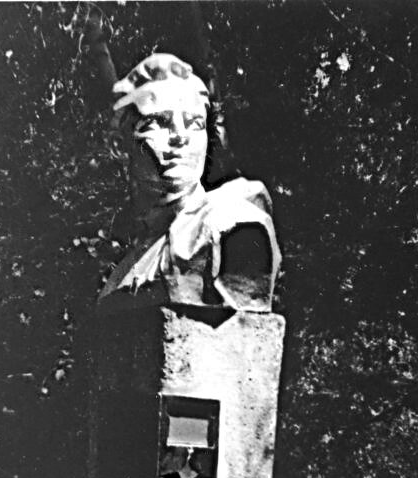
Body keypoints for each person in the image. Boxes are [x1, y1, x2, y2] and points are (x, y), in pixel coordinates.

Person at [98, 54, 281, 313]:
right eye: (159, 122)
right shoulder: (131, 261)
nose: (180, 137)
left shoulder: (234, 225)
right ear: (119, 146)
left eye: (194, 124)